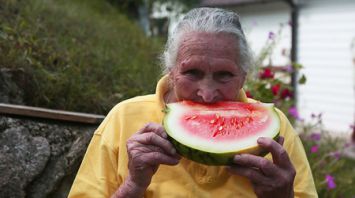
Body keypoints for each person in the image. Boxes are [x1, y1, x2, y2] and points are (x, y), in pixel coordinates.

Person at [69, 7, 317, 198]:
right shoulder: (123, 119)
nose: (207, 94)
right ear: (171, 69)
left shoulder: (277, 130)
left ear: (243, 76)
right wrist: (133, 186)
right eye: (192, 73)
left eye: (224, 75)